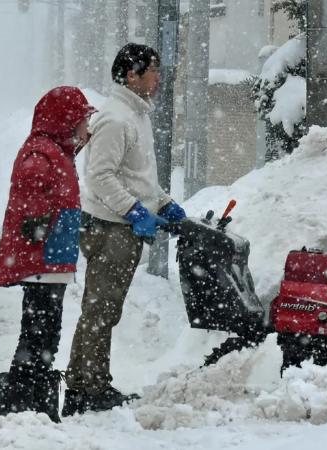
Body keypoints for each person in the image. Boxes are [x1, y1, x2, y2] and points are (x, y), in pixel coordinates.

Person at [62, 43, 186, 416]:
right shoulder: (116, 119)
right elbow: (100, 176)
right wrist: (134, 210)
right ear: (131, 75)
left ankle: (84, 383)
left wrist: (162, 202)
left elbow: (137, 176)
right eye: (153, 71)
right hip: (110, 227)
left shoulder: (136, 115)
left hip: (122, 226)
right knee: (101, 310)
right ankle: (89, 388)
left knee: (102, 308)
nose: (158, 78)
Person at [0, 86, 96, 423]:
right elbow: (32, 187)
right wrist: (39, 223)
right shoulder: (42, 152)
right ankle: (24, 399)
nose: (88, 127)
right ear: (65, 120)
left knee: (46, 332)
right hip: (43, 259)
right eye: (83, 120)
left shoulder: (57, 151)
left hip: (53, 259)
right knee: (39, 331)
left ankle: (34, 396)